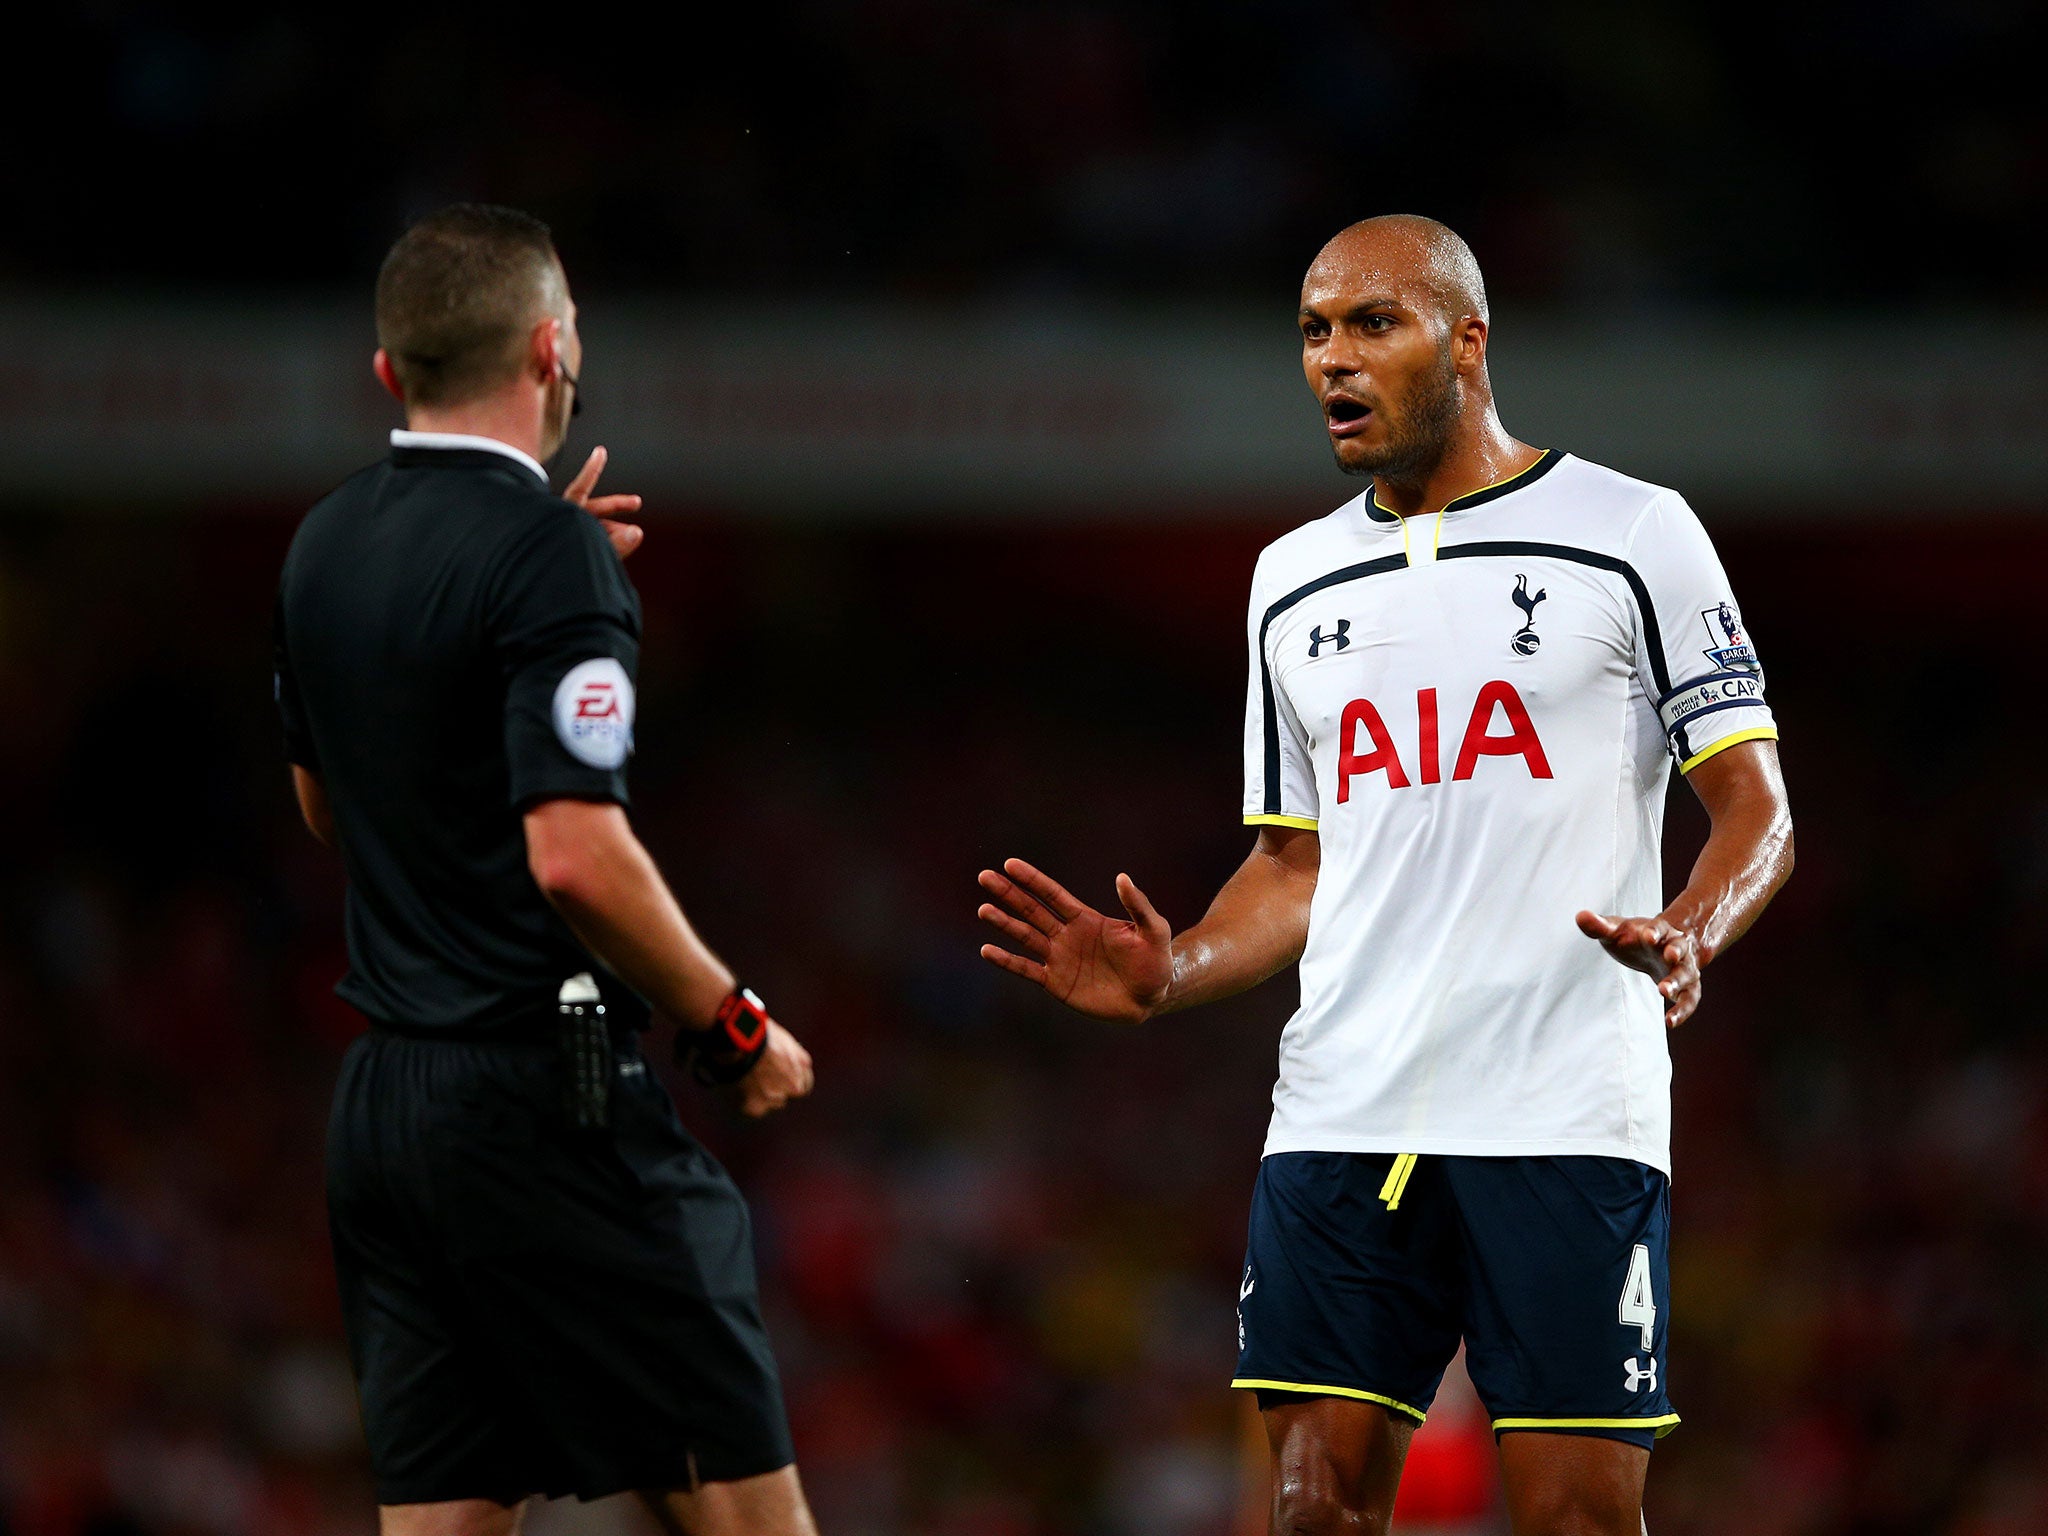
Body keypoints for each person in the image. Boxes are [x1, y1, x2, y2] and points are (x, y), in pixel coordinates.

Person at [976, 215, 1793, 1535]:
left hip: (1562, 1113)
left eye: (1373, 324)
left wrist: (1695, 926)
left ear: (1468, 340)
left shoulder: (1634, 533)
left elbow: (1757, 806)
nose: (1334, 361)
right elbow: (1292, 869)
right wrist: (1172, 967)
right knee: (1313, 1511)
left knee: (1579, 1519)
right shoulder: (1289, 580)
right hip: (1342, 1115)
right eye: (1313, 331)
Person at [273, 204, 820, 1536]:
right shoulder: (547, 557)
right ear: (554, 345)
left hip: (385, 1113)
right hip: (545, 1102)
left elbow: (324, 810)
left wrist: (527, 581)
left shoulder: (325, 542)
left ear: (391, 372)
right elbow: (574, 857)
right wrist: (729, 1019)